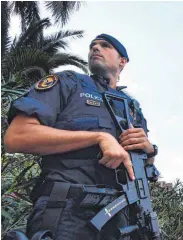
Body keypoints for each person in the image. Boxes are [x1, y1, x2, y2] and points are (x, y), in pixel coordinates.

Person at [4, 34, 158, 240]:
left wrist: (150, 151)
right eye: (92, 46)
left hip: (124, 221)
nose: (95, 48)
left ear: (122, 61)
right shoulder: (69, 83)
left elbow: (143, 168)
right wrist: (98, 138)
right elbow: (17, 137)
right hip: (67, 212)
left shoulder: (132, 108)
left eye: (105, 46)